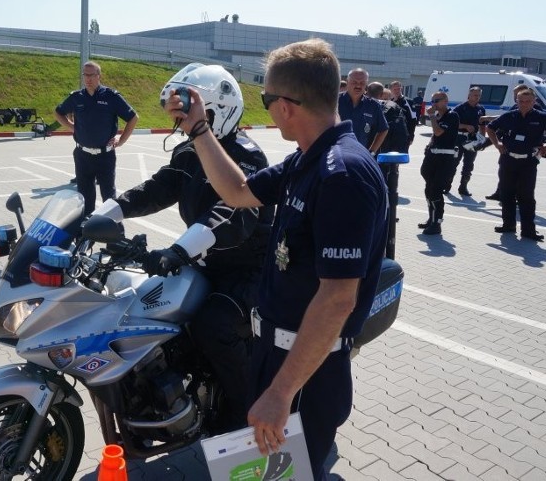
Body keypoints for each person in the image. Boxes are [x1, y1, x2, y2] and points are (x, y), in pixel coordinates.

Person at [165, 39, 387, 479]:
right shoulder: (307, 159)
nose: (265, 109)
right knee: (259, 473)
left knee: (287, 476)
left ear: (286, 106)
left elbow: (338, 299)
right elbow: (238, 192)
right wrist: (199, 130)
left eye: (266, 100)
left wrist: (281, 392)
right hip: (278, 355)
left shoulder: (341, 174)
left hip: (304, 373)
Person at [93, 63, 273, 432]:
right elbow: (158, 188)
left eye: (191, 113)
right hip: (205, 264)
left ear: (216, 112)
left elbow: (229, 215)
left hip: (248, 269)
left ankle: (244, 411)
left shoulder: (246, 157)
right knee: (156, 312)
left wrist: (177, 251)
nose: (183, 121)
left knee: (212, 325)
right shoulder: (190, 151)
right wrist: (104, 214)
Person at [54, 61, 139, 217]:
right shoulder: (77, 97)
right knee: (85, 200)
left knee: (109, 199)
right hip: (82, 156)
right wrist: (72, 126)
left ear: (99, 76)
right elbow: (58, 112)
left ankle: (114, 238)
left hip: (105, 156)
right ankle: (85, 238)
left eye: (91, 75)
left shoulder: (111, 97)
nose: (88, 79)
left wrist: (121, 140)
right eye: (85, 75)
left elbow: (133, 118)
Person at [486, 87, 546, 241]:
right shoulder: (510, 116)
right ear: (517, 101)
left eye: (527, 101)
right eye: (520, 101)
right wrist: (497, 145)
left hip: (528, 162)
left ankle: (528, 230)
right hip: (508, 160)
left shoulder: (543, 117)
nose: (523, 104)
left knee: (526, 196)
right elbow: (490, 128)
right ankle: (508, 225)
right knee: (506, 194)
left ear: (534, 102)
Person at [418, 91, 459, 235]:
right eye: (432, 101)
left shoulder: (452, 116)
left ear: (445, 101)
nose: (434, 104)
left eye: (437, 100)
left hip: (444, 158)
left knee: (436, 190)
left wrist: (431, 116)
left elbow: (439, 132)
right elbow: (434, 137)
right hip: (432, 156)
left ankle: (437, 223)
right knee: (428, 189)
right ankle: (431, 218)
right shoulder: (437, 116)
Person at [338, 68, 388, 155]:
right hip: (335, 156)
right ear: (347, 82)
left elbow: (383, 129)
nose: (358, 86)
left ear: (366, 84)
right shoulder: (334, 101)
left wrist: (372, 152)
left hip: (359, 158)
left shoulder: (373, 105)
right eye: (354, 82)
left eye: (362, 83)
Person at [449, 86, 486, 197]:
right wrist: (465, 126)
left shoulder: (481, 109)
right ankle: (447, 185)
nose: (477, 97)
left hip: (472, 139)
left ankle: (463, 187)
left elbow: (482, 125)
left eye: (479, 95)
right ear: (469, 95)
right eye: (475, 95)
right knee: (453, 163)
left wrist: (482, 140)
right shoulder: (460, 108)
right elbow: (451, 123)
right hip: (459, 138)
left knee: (469, 164)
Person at [389, 81, 417, 147]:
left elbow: (413, 120)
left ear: (401, 89)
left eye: (399, 88)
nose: (397, 91)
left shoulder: (409, 102)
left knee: (402, 156)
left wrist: (411, 136)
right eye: (395, 89)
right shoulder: (389, 102)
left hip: (404, 135)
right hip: (390, 136)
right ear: (391, 90)